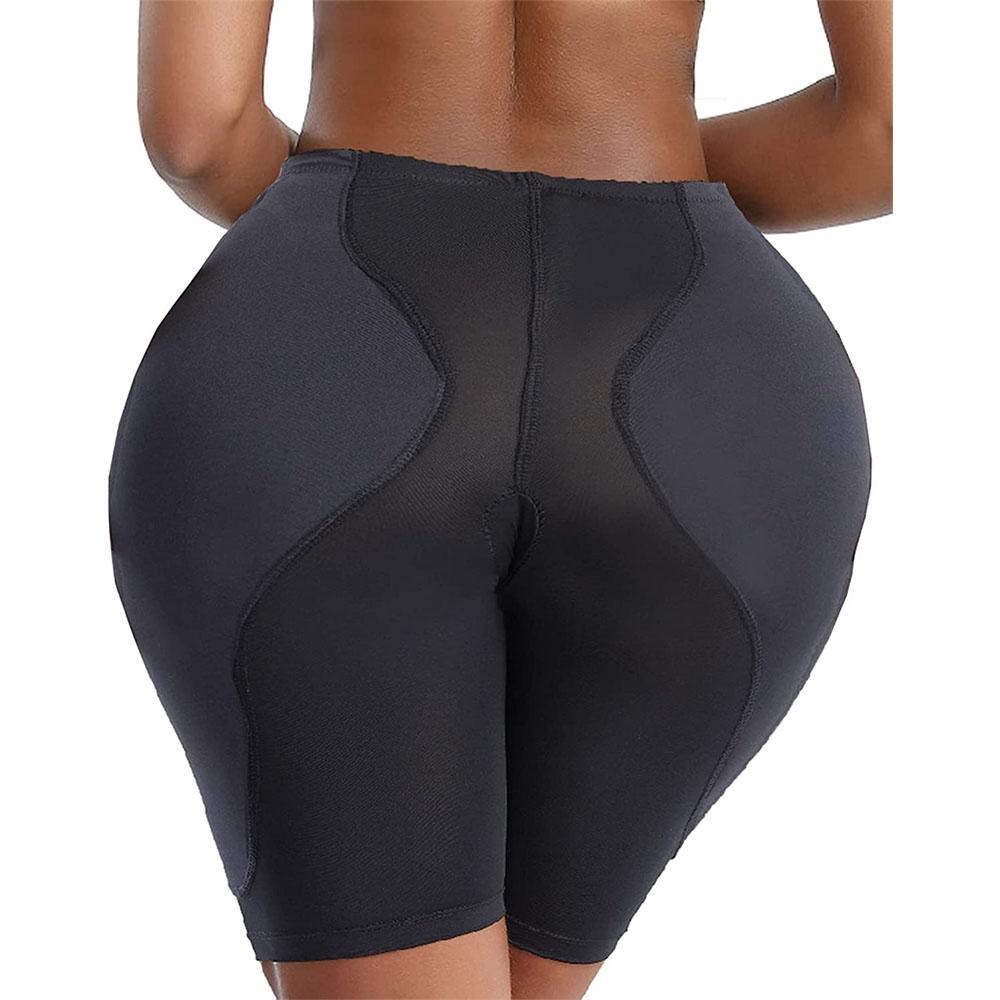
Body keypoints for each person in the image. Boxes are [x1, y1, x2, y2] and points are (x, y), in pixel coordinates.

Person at [112, 2, 891, 997]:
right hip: (706, 378)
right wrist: (641, 176)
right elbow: (884, 133)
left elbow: (200, 130)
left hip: (333, 350)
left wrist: (354, 220)